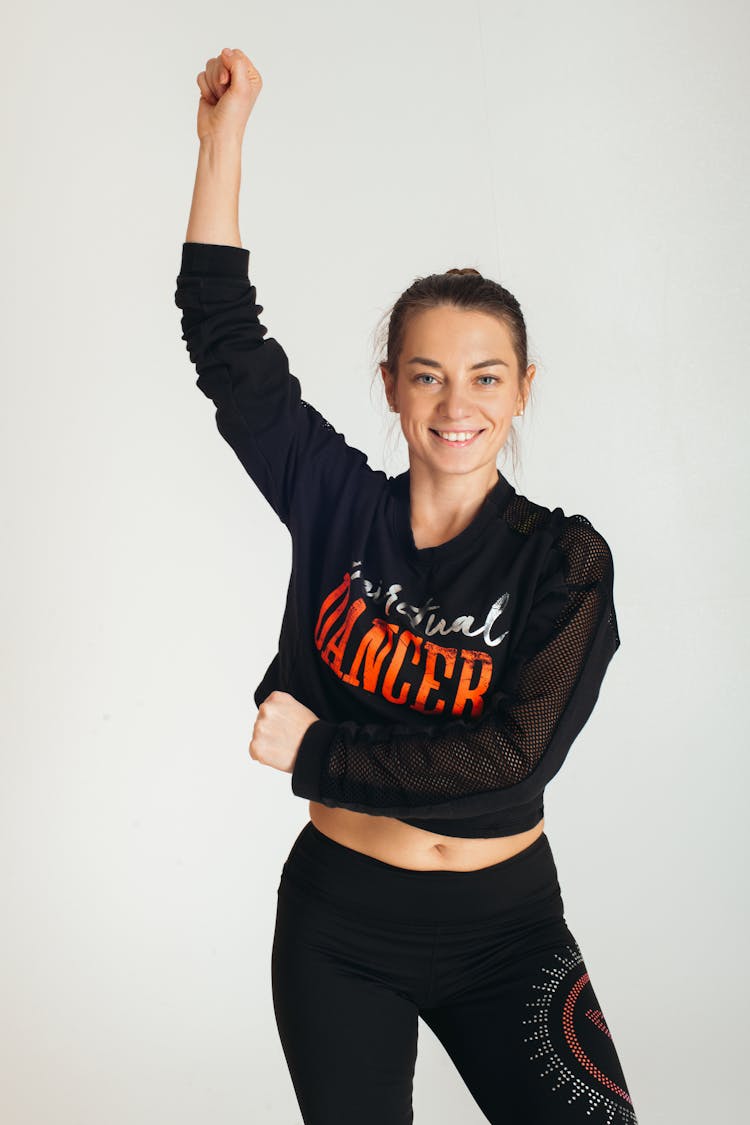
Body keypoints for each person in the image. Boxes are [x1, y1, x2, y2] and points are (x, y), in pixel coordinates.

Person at [175, 47, 640, 1125]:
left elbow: (511, 756)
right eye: (425, 374)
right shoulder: (338, 505)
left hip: (506, 928)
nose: (454, 403)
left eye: (484, 377)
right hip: (341, 926)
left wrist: (321, 752)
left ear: (523, 390)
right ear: (391, 385)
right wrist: (222, 141)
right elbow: (226, 347)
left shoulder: (562, 561)